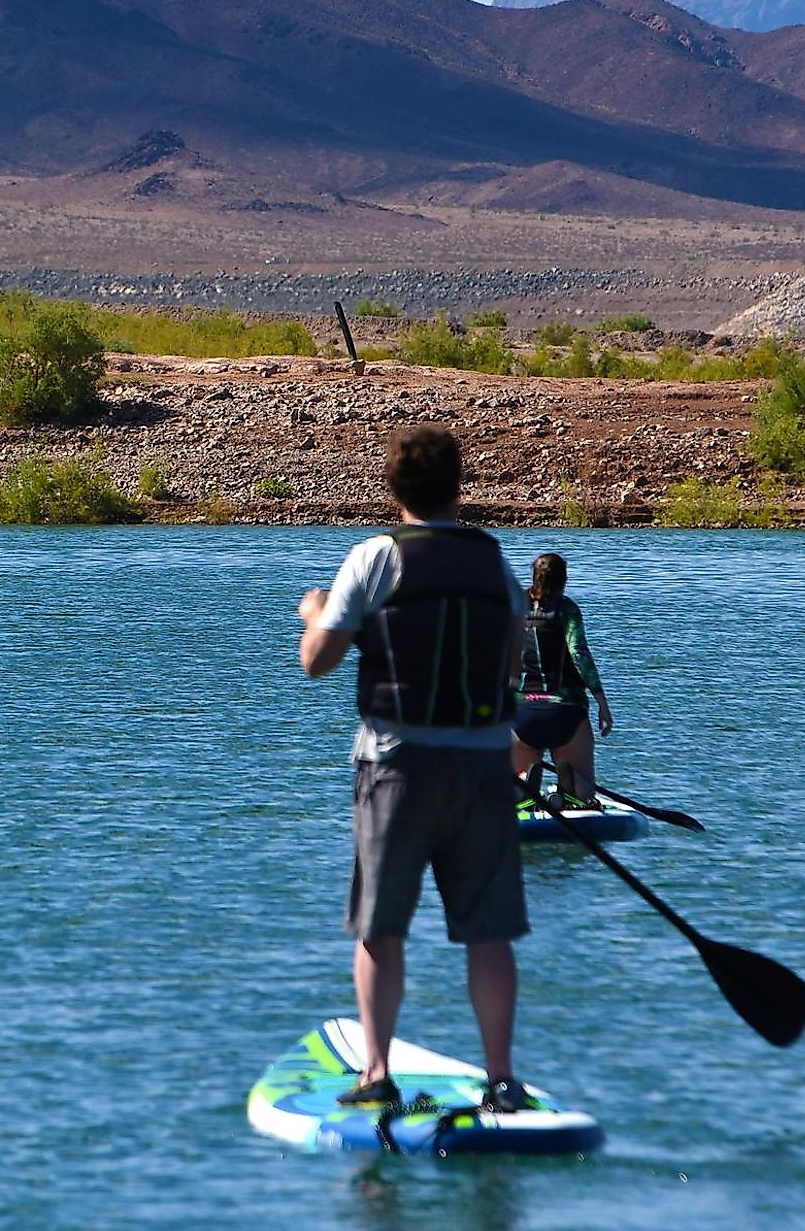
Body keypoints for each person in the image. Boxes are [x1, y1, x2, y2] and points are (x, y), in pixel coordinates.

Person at [296, 423, 532, 1114]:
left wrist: (315, 613)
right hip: (487, 769)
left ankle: (376, 1072)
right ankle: (501, 1080)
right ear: (459, 486)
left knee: (381, 927)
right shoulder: (494, 562)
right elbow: (510, 665)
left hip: (396, 767)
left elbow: (318, 662)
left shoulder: (373, 557)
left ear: (392, 487)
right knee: (488, 933)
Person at [509, 553, 613, 808]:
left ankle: (522, 786)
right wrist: (602, 702)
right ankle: (572, 789)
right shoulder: (567, 609)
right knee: (585, 788)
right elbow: (580, 655)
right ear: (564, 580)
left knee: (512, 776)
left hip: (523, 713)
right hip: (567, 712)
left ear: (533, 576)